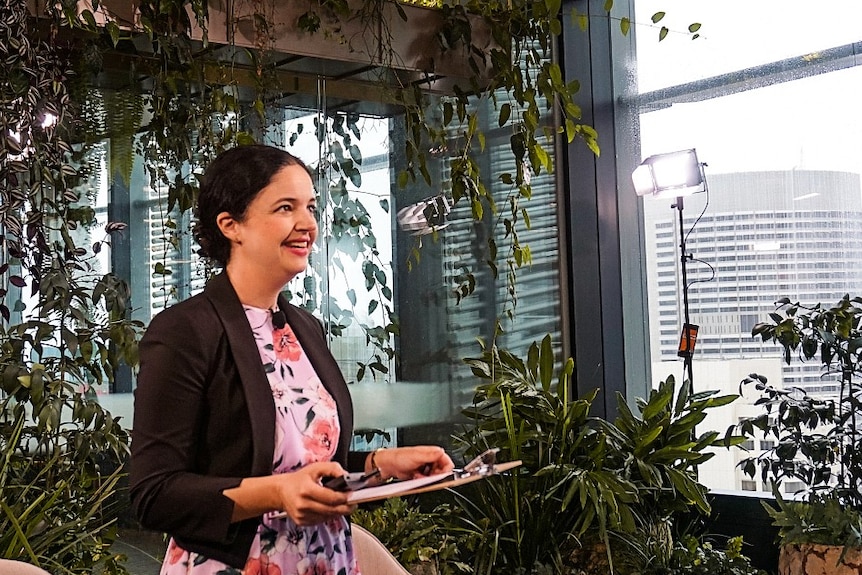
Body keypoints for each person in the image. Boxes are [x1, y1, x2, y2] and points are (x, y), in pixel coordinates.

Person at [129, 144, 454, 574]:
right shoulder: (185, 332)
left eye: (311, 208)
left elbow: (305, 468)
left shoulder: (304, 328)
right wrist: (277, 493)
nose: (308, 225)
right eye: (286, 208)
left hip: (323, 561)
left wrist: (378, 465)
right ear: (231, 225)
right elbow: (155, 494)